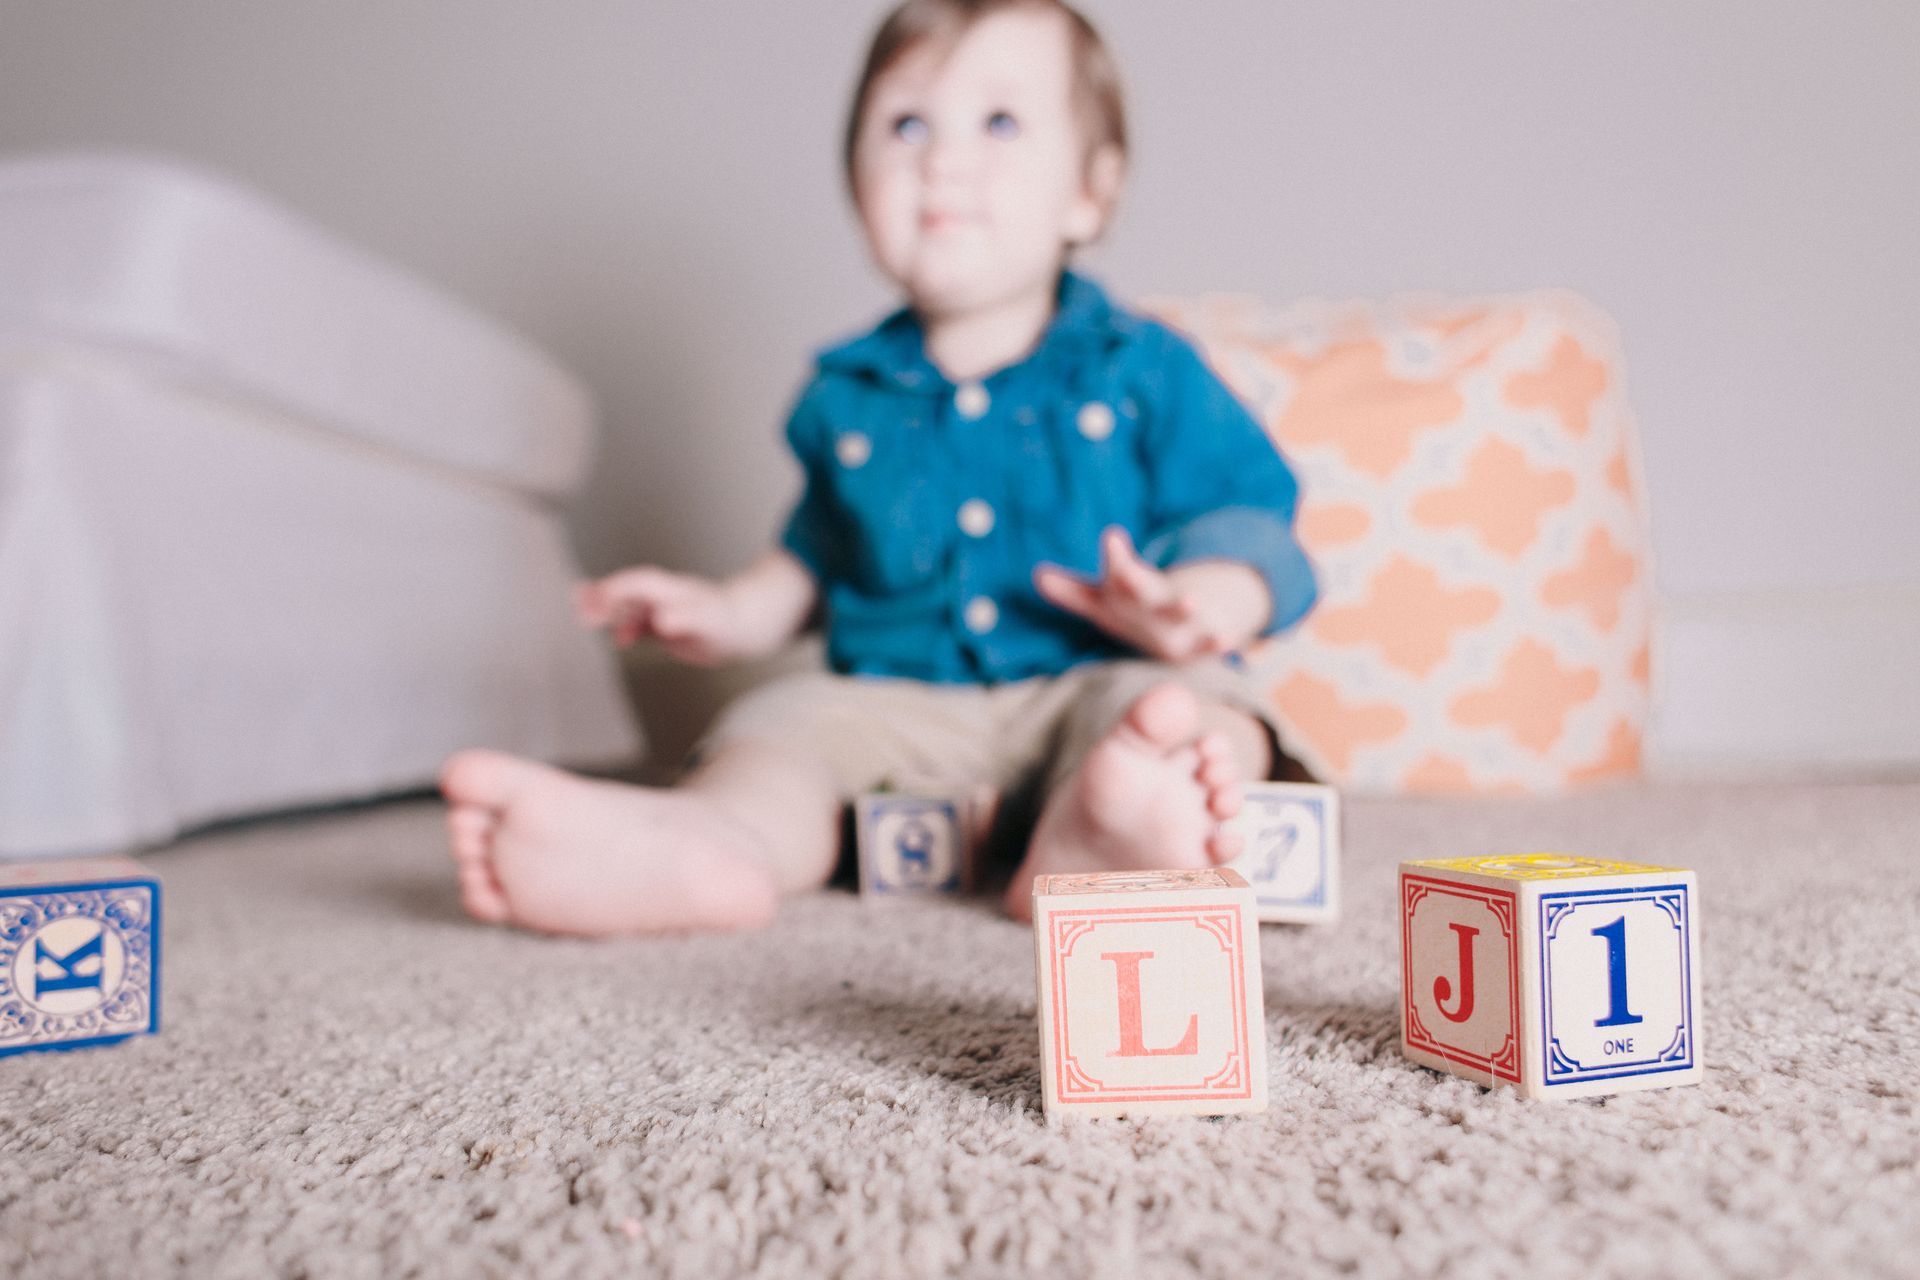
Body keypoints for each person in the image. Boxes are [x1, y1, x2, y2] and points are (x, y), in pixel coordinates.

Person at [443, 0, 1318, 936]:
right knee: (780, 730)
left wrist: (1207, 602)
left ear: (1089, 193)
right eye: (906, 125)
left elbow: (1251, 512)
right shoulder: (844, 396)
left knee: (1185, 720)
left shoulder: (1144, 367)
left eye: (1000, 120)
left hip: (1093, 683)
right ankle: (714, 842)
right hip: (896, 707)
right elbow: (815, 557)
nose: (942, 159)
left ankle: (1106, 835)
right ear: (854, 182)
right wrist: (727, 614)